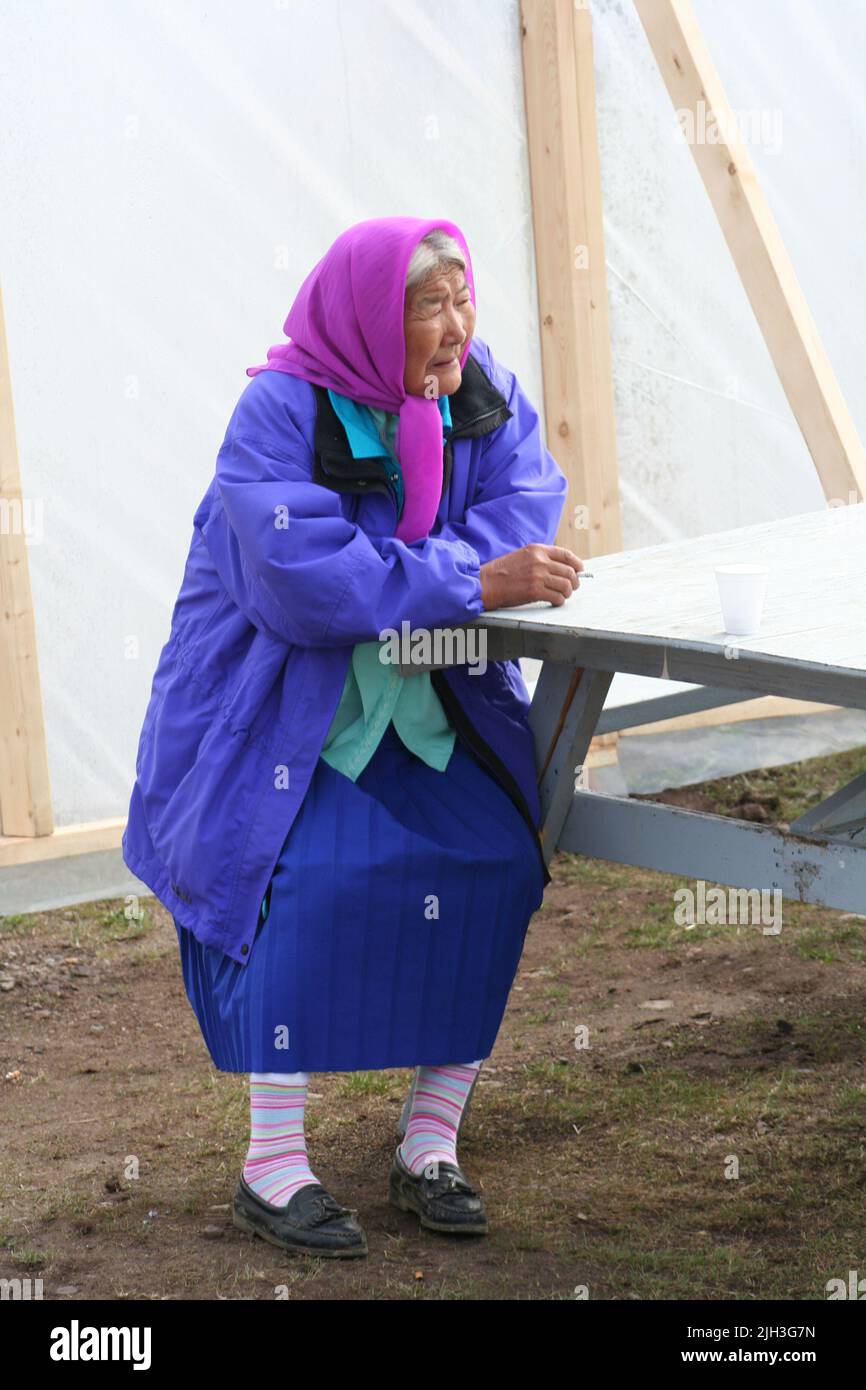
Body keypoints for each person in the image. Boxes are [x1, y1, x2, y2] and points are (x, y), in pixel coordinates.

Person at [122, 215, 583, 1259]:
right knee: (301, 884)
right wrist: (463, 578)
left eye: (463, 298)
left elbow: (526, 505)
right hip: (283, 712)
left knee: (497, 861)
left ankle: (429, 1142)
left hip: (428, 707)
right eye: (429, 303)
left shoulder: (478, 393)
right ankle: (272, 1165)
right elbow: (301, 580)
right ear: (372, 314)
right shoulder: (278, 411)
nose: (454, 325)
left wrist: (464, 568)